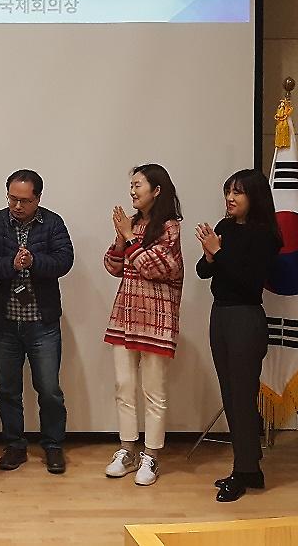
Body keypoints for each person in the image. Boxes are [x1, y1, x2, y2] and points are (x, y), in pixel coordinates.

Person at [0, 169, 74, 474]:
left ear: (38, 199)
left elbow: (65, 261)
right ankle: (15, 445)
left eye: (25, 200)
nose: (17, 206)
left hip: (42, 323)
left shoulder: (53, 223)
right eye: (12, 199)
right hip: (5, 321)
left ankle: (53, 446)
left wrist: (34, 261)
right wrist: (12, 264)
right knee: (7, 389)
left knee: (49, 390)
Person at [194, 169, 283, 502]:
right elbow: (204, 271)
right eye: (228, 191)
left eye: (238, 192)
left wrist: (219, 252)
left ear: (254, 197)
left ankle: (243, 470)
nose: (230, 198)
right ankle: (251, 468)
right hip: (221, 314)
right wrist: (209, 254)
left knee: (243, 397)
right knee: (230, 394)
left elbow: (249, 282)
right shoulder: (225, 227)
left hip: (246, 317)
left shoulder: (265, 236)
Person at [102, 164, 184, 486]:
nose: (132, 191)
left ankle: (151, 455)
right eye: (132, 185)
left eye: (138, 185)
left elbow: (155, 267)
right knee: (123, 387)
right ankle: (126, 450)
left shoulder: (170, 227)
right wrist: (121, 238)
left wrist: (128, 236)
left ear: (157, 190)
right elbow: (113, 266)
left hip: (157, 320)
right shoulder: (133, 224)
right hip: (125, 317)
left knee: (154, 392)